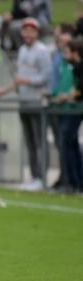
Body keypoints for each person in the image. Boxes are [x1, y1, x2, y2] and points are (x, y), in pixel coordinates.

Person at [0, 18, 52, 191]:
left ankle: (42, 178)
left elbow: (45, 78)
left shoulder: (42, 51)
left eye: (31, 30)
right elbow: (19, 79)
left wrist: (27, 80)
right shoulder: (22, 51)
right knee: (30, 142)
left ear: (37, 33)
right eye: (25, 30)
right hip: (24, 101)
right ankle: (34, 176)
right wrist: (4, 90)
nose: (28, 34)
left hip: (37, 102)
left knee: (40, 141)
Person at [48, 24, 75, 190]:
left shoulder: (71, 60)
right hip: (57, 104)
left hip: (70, 107)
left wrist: (68, 95)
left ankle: (73, 180)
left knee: (68, 142)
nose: (57, 37)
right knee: (62, 143)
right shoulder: (58, 56)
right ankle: (65, 177)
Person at [57, 40, 83, 193]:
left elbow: (79, 90)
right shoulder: (75, 69)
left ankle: (76, 181)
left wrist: (69, 96)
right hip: (74, 108)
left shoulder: (80, 67)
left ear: (75, 52)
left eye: (68, 52)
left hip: (77, 110)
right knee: (70, 143)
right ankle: (75, 182)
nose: (65, 55)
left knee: (69, 142)